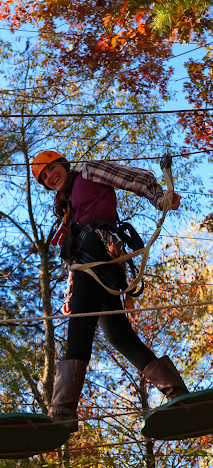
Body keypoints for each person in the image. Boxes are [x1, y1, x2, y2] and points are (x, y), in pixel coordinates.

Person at [31, 150, 189, 432]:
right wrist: (71, 293)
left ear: (64, 165)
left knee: (80, 325)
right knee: (119, 336)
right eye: (44, 178)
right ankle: (177, 394)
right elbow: (73, 259)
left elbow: (134, 178)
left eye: (52, 169)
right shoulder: (68, 210)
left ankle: (62, 411)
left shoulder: (89, 172)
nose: (50, 177)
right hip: (96, 265)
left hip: (99, 250)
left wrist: (159, 197)